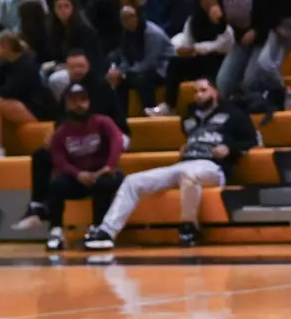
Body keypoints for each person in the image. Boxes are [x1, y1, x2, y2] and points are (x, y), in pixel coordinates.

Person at [89, 78, 256, 249]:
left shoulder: (234, 114)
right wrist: (190, 146)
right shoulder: (189, 115)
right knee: (133, 181)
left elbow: (253, 140)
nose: (199, 95)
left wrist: (230, 148)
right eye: (196, 92)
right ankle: (107, 231)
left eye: (204, 90)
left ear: (216, 92)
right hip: (185, 163)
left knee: (189, 176)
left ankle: (189, 227)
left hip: (213, 167)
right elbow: (195, 136)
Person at [43, 82, 126, 251]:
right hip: (78, 177)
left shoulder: (103, 122)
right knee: (56, 185)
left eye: (83, 100)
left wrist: (109, 166)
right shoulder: (61, 131)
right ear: (66, 104)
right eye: (73, 101)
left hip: (103, 172)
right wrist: (77, 174)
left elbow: (117, 141)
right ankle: (56, 230)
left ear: (89, 102)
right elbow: (58, 159)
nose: (79, 104)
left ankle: (98, 228)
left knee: (105, 183)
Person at [109, 4, 171, 112]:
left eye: (131, 16)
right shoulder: (125, 35)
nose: (129, 21)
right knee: (121, 82)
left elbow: (150, 61)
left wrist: (127, 72)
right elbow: (124, 57)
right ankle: (121, 116)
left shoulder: (152, 33)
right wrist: (119, 71)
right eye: (125, 18)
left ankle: (150, 111)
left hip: (163, 68)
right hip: (139, 69)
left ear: (138, 17)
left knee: (142, 80)